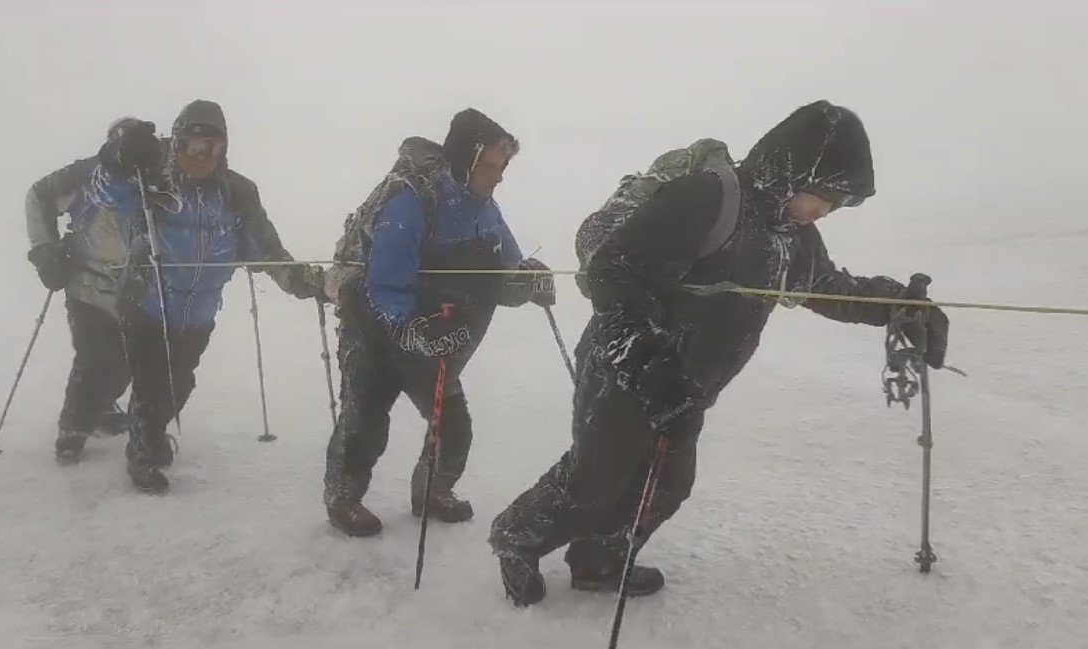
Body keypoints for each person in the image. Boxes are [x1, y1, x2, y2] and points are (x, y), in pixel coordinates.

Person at [488, 100, 951, 606]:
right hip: (626, 369)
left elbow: (825, 286)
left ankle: (598, 558)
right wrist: (651, 368)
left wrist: (897, 305)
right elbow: (612, 273)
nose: (828, 210)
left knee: (666, 485)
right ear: (790, 170)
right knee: (594, 482)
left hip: (688, 387)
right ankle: (515, 538)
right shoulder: (707, 199)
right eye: (825, 195)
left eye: (838, 202)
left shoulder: (792, 237)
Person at [322, 108, 555, 537]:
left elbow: (503, 278)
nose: (499, 176)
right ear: (466, 159)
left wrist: (530, 283)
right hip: (375, 333)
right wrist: (413, 329)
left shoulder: (486, 211)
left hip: (438, 341)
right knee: (365, 421)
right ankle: (343, 497)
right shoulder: (411, 203)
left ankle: (431, 491)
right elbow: (384, 287)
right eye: (491, 166)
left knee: (454, 428)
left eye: (503, 167)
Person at [81, 100, 325, 492]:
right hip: (145, 304)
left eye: (211, 149)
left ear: (223, 150)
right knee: (150, 384)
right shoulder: (149, 184)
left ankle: (153, 432)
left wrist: (302, 282)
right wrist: (117, 158)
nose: (200, 158)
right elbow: (106, 194)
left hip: (198, 313)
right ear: (175, 145)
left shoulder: (237, 193)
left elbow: (266, 249)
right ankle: (142, 451)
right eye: (191, 148)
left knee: (180, 384)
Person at [25, 117, 150, 462]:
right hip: (85, 285)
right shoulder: (85, 175)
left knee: (128, 361)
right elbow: (38, 195)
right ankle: (73, 429)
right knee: (95, 357)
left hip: (135, 291)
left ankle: (102, 405)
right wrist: (44, 250)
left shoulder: (153, 179)